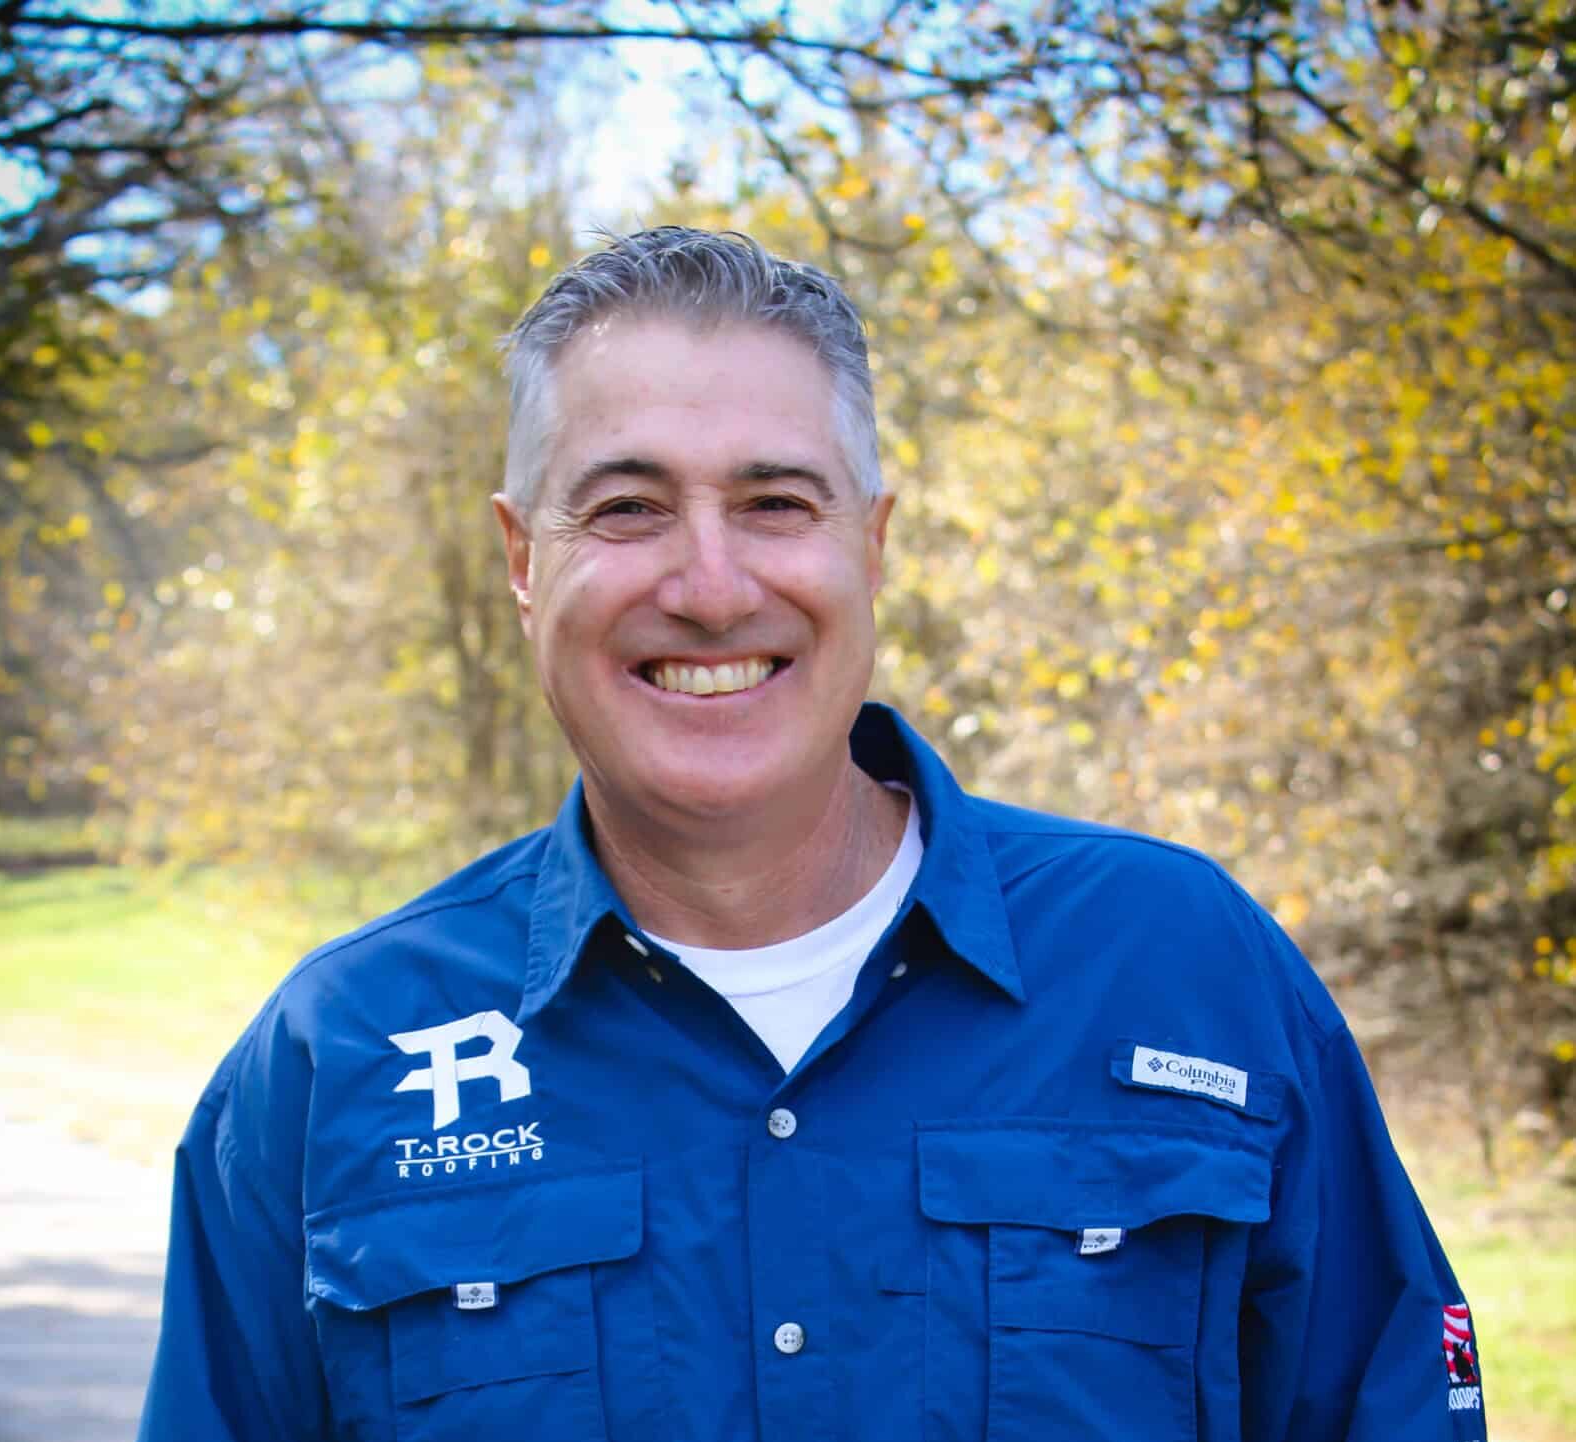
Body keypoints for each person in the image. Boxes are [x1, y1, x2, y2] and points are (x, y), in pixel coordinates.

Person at [137, 227, 1486, 1442]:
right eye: (628, 507)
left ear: (873, 546)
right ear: (523, 560)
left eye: (776, 502)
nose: (711, 586)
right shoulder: (336, 1059)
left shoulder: (1185, 969)